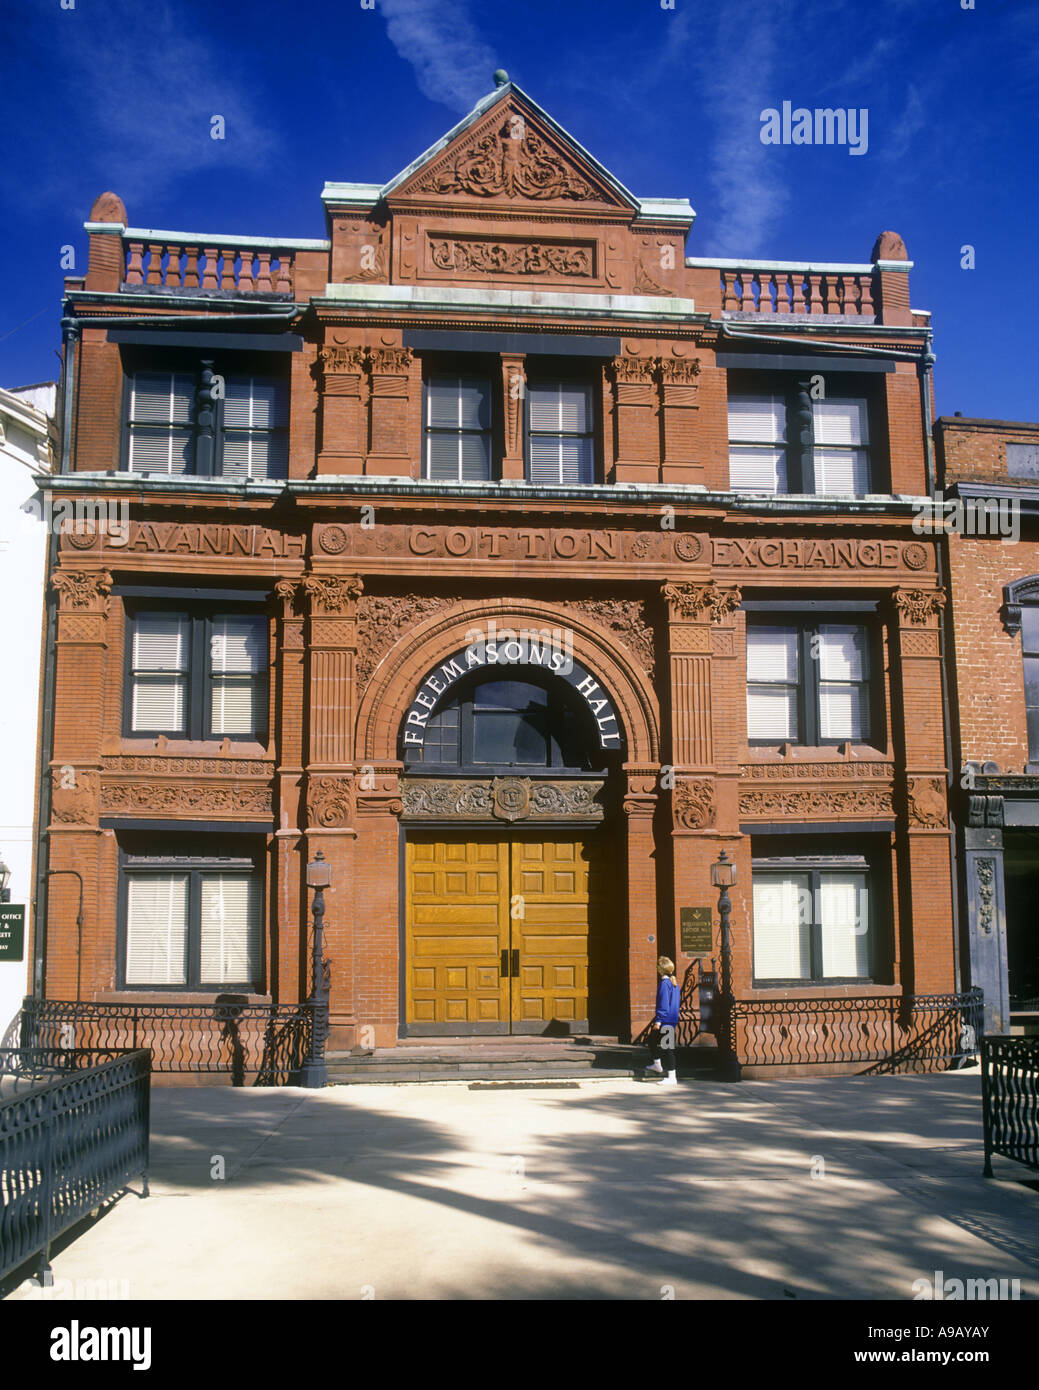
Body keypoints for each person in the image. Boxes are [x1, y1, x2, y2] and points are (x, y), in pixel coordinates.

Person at [643, 956, 680, 1086]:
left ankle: (672, 1077)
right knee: (652, 1040)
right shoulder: (674, 983)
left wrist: (658, 1020)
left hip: (665, 1021)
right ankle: (657, 1065)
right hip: (671, 1019)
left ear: (660, 969)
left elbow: (664, 1004)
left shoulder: (665, 984)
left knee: (668, 1048)